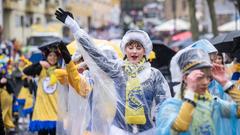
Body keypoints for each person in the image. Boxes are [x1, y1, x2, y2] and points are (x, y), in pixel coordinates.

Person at [55, 8, 171, 135]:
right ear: (125, 49)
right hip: (119, 130)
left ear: (145, 50)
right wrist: (75, 27)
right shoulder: (117, 70)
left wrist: (161, 127)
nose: (134, 51)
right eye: (130, 47)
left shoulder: (154, 75)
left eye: (138, 47)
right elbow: (95, 54)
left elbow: (164, 105)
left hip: (148, 131)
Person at [157, 48, 240, 135]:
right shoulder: (172, 106)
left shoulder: (212, 103)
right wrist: (190, 93)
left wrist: (225, 83)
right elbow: (180, 127)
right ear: (185, 78)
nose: (205, 82)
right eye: (199, 77)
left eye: (208, 77)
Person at [23, 41, 61, 135]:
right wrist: (40, 63)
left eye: (55, 56)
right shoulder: (41, 68)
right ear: (46, 57)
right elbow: (26, 71)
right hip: (42, 109)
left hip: (55, 110)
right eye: (50, 55)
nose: (53, 58)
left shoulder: (60, 70)